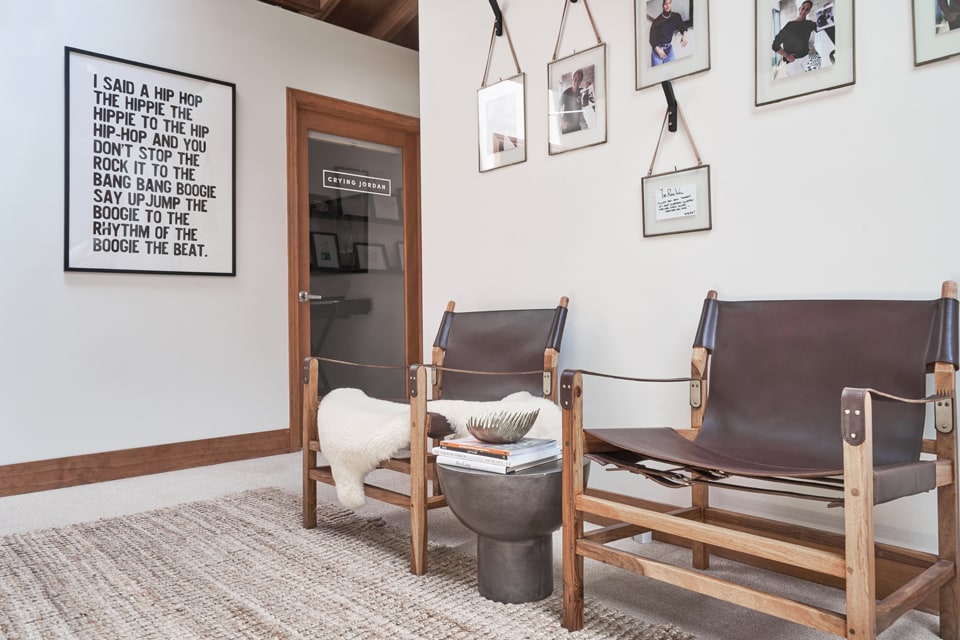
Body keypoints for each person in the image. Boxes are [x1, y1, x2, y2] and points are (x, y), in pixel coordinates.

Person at [771, 0, 817, 77]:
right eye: (803, 8)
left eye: (807, 9)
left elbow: (822, 25)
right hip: (793, 61)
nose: (804, 11)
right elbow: (775, 45)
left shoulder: (809, 24)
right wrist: (787, 56)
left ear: (809, 11)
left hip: (805, 57)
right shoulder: (789, 26)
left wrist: (827, 9)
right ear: (799, 8)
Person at [649, 0, 688, 67]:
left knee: (672, 69)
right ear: (662, 5)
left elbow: (682, 27)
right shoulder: (656, 21)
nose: (668, 6)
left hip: (669, 50)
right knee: (658, 72)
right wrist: (658, 50)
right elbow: (652, 39)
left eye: (670, 3)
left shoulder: (676, 16)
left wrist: (685, 35)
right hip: (657, 51)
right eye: (666, 4)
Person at [558, 68, 594, 134]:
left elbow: (591, 100)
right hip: (567, 126)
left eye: (579, 80)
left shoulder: (582, 91)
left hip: (577, 126)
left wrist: (590, 87)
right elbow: (557, 108)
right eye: (575, 79)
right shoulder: (566, 92)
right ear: (573, 79)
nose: (577, 81)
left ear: (581, 81)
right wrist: (562, 122)